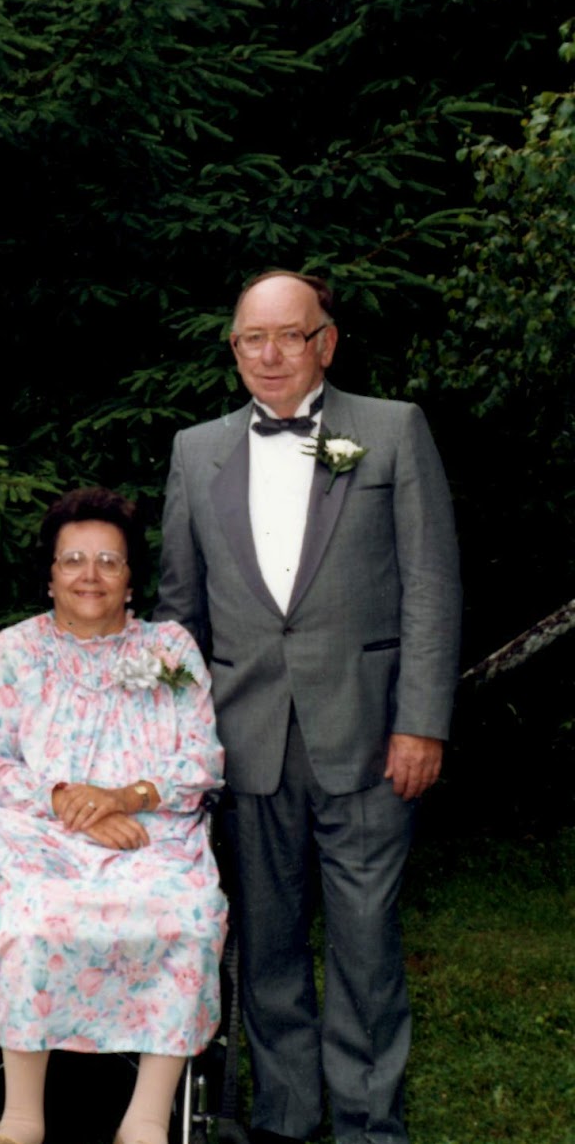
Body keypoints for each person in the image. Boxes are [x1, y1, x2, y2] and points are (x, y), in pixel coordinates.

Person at [155, 271, 462, 1144]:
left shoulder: (392, 430)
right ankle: (285, 1117)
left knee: (365, 939)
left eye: (289, 335)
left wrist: (421, 722)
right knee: (267, 940)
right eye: (252, 338)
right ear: (233, 348)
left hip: (369, 734)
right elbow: (180, 613)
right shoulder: (196, 451)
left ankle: (368, 1122)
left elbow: (431, 587)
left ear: (325, 342)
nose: (270, 354)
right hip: (243, 738)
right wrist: (176, 739)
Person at [0, 487, 228, 1144]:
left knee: (189, 915)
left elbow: (202, 759)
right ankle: (22, 1120)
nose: (89, 575)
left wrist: (125, 797)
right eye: (73, 560)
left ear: (131, 579)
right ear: (50, 576)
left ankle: (146, 1121)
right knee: (35, 916)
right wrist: (69, 801)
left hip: (146, 832)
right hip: (33, 833)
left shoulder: (170, 650)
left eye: (108, 561)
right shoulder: (14, 651)